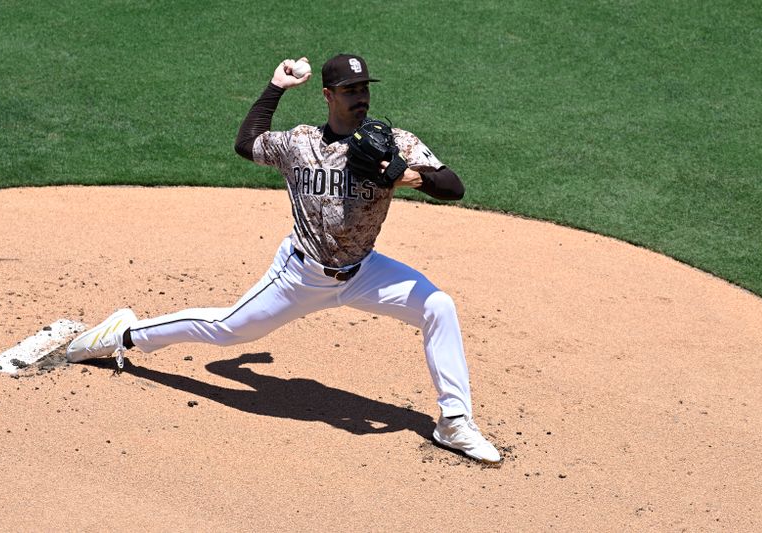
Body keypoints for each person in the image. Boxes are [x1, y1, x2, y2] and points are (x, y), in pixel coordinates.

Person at [66, 54, 500, 463]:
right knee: (227, 330)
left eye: (364, 88)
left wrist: (407, 176)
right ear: (329, 95)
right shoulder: (299, 144)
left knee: (437, 306)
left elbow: (453, 187)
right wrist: (276, 87)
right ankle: (124, 335)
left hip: (364, 272)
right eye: (350, 90)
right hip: (301, 275)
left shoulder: (395, 142)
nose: (361, 97)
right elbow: (246, 143)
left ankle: (454, 421)